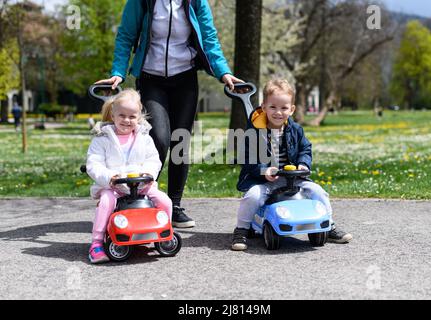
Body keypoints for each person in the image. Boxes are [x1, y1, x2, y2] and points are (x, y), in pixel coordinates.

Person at [95, 0, 243, 228]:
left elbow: (209, 37)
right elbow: (125, 35)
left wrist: (223, 72)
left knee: (181, 142)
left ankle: (174, 206)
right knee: (160, 139)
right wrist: (118, 72)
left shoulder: (196, 1)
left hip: (185, 78)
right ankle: (137, 197)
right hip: (151, 78)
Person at [231, 79, 353, 251]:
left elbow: (305, 148)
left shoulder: (295, 130)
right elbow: (248, 159)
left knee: (319, 192)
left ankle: (329, 225)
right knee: (252, 197)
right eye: (273, 107)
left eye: (284, 108)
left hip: (291, 178)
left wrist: (303, 164)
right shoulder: (253, 132)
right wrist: (264, 171)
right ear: (263, 107)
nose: (278, 112)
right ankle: (241, 229)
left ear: (292, 109)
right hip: (262, 180)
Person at [86, 88, 172, 264]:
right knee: (106, 202)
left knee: (165, 201)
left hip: (141, 186)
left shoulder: (145, 139)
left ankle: (162, 233)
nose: (127, 120)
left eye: (132, 116)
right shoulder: (102, 139)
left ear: (139, 117)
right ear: (113, 114)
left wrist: (148, 174)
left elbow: (153, 160)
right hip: (114, 187)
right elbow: (93, 165)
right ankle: (96, 242)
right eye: (122, 115)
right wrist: (110, 177)